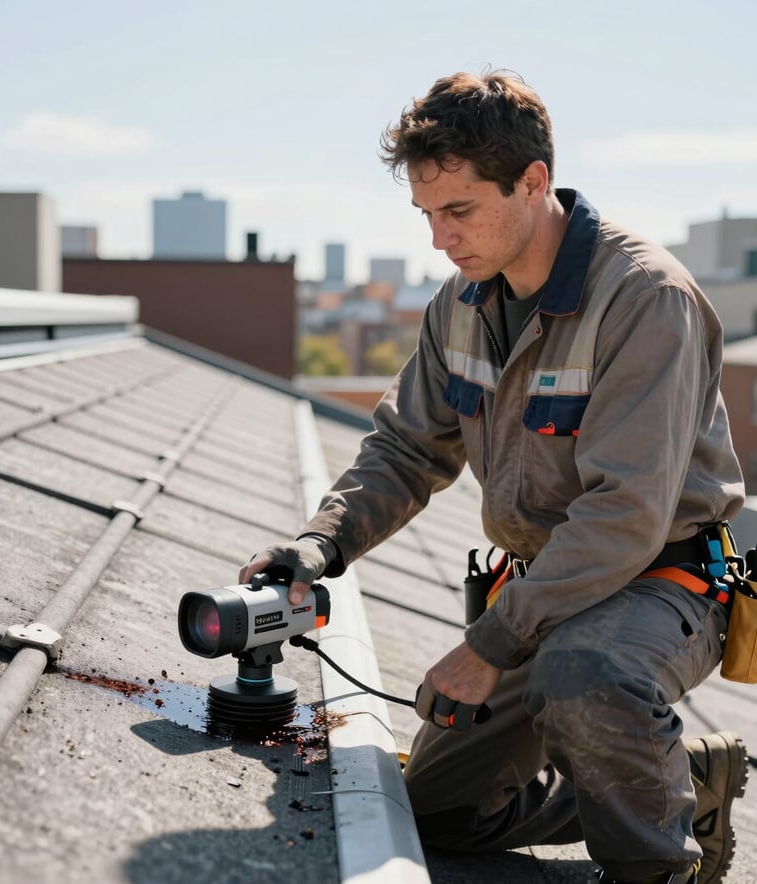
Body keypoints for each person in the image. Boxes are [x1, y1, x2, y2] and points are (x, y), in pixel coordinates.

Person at [241, 69, 748, 884]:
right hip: (545, 590)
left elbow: (626, 513)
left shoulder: (645, 300)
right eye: (428, 215)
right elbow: (407, 448)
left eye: (460, 210)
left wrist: (490, 644)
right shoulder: (462, 306)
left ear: (533, 181)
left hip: (663, 583)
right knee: (433, 809)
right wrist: (317, 546)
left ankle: (662, 868)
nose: (441, 239)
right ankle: (678, 782)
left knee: (581, 673)